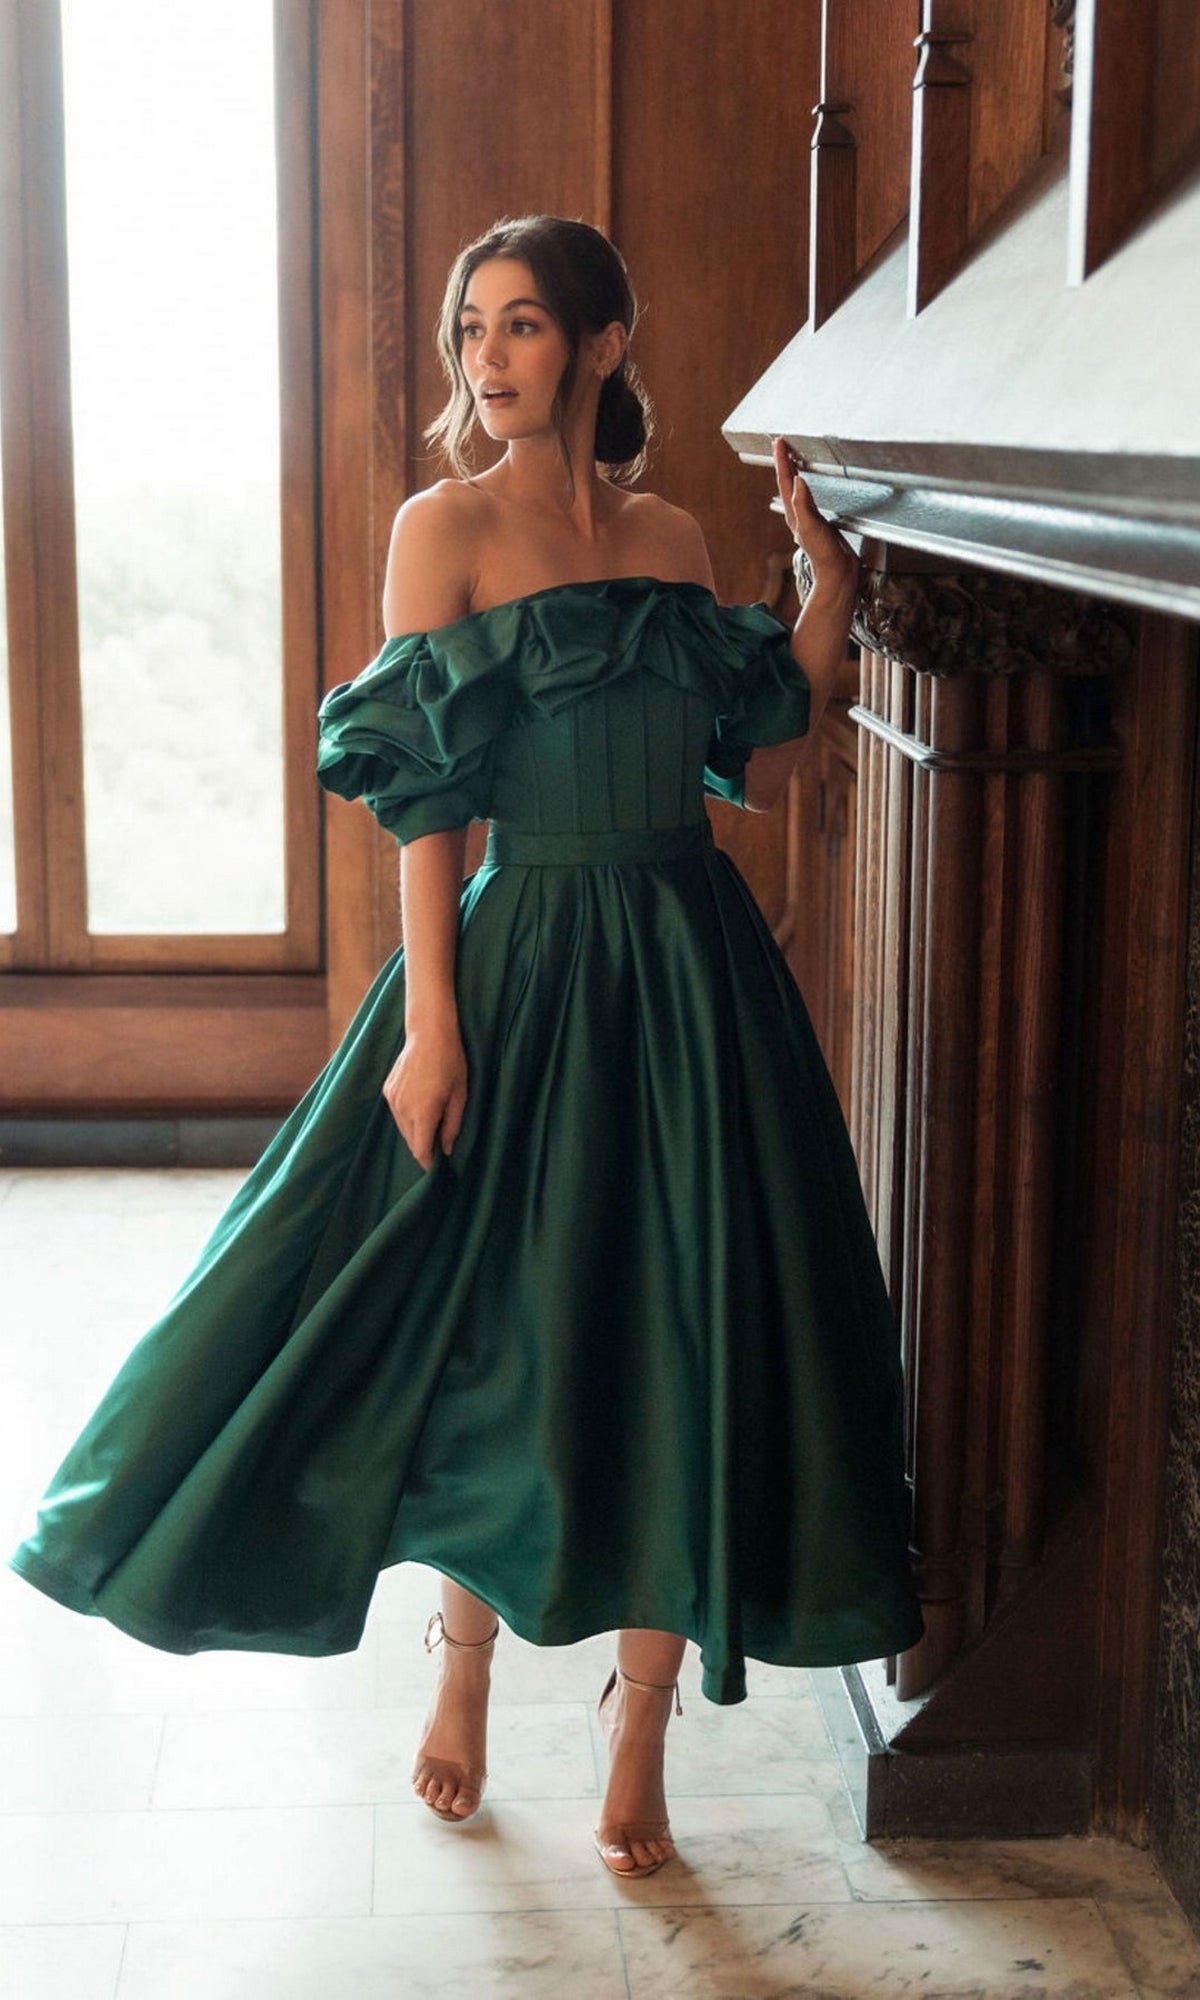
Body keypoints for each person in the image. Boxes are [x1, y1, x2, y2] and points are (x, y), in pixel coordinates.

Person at [10, 215, 922, 1881]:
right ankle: (467, 1666)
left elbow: (762, 763)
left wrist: (829, 584)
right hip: (523, 968)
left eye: (518, 327)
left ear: (602, 342)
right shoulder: (445, 534)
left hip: (693, 978)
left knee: (676, 1334)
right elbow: (425, 810)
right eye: (470, 332)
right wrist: (431, 1027)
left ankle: (638, 1732)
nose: (487, 359)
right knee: (497, 1321)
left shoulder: (665, 539)